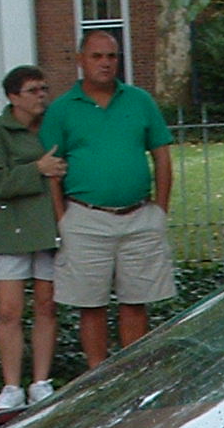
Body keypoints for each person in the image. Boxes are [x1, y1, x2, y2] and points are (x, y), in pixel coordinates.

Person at [39, 30, 175, 370]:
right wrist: (63, 218)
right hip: (85, 217)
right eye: (97, 56)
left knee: (136, 301)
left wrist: (160, 209)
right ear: (81, 60)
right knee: (91, 303)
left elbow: (161, 156)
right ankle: (98, 375)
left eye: (111, 56)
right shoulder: (62, 110)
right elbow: (51, 167)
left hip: (139, 215)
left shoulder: (139, 101)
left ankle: (133, 374)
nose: (105, 63)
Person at [0, 64, 66, 408]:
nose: (41, 96)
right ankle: (12, 386)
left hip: (47, 228)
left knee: (46, 306)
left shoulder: (52, 128)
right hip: (9, 230)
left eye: (44, 89)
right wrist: (36, 170)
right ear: (13, 96)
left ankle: (41, 381)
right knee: (9, 311)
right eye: (32, 90)